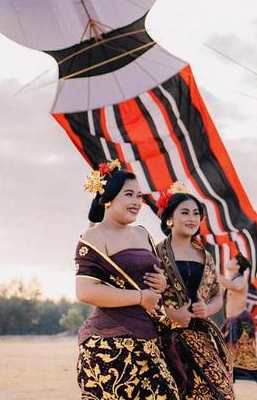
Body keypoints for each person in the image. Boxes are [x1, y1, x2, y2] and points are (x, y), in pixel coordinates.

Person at [74, 160, 180, 399]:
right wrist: (141, 296)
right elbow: (85, 291)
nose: (136, 202)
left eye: (139, 196)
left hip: (150, 338)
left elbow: (156, 278)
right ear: (109, 197)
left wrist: (161, 284)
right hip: (110, 345)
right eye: (129, 194)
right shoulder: (94, 237)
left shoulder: (143, 233)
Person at [155, 183, 235, 400]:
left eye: (196, 213)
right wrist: (171, 314)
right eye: (185, 212)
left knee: (221, 392)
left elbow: (218, 295)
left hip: (201, 335)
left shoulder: (205, 256)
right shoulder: (156, 253)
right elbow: (148, 296)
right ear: (169, 218)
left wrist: (207, 309)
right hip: (165, 339)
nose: (192, 218)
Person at [221, 254, 257, 399]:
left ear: (238, 266)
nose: (229, 260)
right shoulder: (231, 280)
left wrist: (216, 274)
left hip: (243, 324)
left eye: (232, 260)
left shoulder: (241, 280)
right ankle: (230, 394)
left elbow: (234, 287)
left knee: (249, 357)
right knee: (228, 358)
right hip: (231, 323)